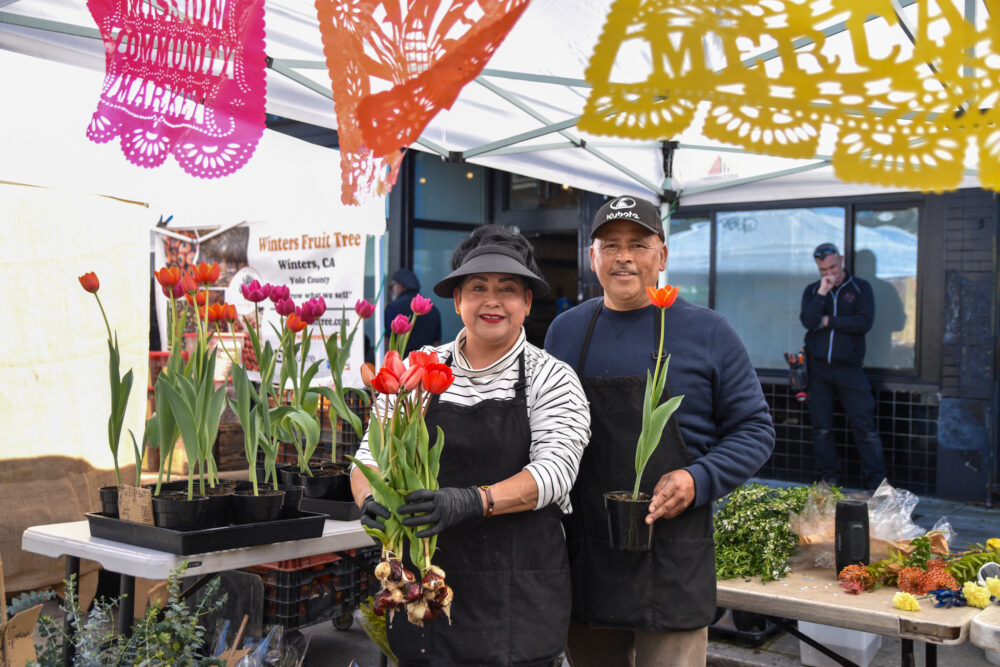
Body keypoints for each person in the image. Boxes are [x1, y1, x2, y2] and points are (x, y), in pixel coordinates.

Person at [544, 195, 775, 666]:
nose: (623, 256)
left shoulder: (707, 330)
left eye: (638, 244)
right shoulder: (566, 331)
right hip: (588, 555)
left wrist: (698, 478)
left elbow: (755, 429)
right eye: (610, 245)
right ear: (593, 257)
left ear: (662, 256)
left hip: (672, 555)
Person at [352, 225, 591, 666]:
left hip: (518, 595)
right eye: (478, 287)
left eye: (508, 289)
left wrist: (472, 501)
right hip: (425, 592)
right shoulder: (418, 367)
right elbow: (370, 455)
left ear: (527, 302)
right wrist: (371, 500)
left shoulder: (551, 377)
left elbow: (555, 474)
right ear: (458, 300)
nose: (492, 300)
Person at [800, 242, 888, 490]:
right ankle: (830, 480)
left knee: (865, 426)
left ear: (841, 260)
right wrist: (822, 294)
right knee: (822, 428)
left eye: (833, 267)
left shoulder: (860, 288)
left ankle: (877, 483)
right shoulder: (813, 290)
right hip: (818, 369)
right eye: (823, 270)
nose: (830, 273)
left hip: (850, 368)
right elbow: (808, 320)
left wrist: (828, 320)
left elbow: (863, 322)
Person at [384, 268, 442, 354]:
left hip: (401, 364)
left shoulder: (392, 308)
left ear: (401, 286)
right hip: (425, 364)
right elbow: (437, 345)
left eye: (392, 286)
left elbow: (387, 342)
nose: (391, 290)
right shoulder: (433, 309)